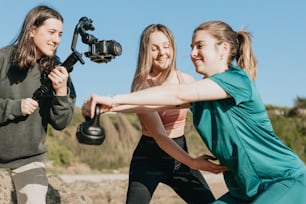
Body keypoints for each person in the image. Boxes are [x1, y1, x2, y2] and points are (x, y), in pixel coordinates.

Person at [83, 20, 306, 203]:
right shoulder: (198, 100)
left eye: (200, 46)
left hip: (282, 180)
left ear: (223, 49)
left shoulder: (237, 80)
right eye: (191, 47)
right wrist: (104, 107)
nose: (192, 53)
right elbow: (150, 104)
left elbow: (177, 95)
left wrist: (112, 100)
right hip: (244, 190)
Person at [0, 5, 76, 204]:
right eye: (51, 32)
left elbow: (60, 123)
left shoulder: (58, 71)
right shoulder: (3, 58)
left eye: (60, 34)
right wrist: (15, 107)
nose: (57, 40)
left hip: (30, 159)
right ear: (32, 30)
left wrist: (60, 92)